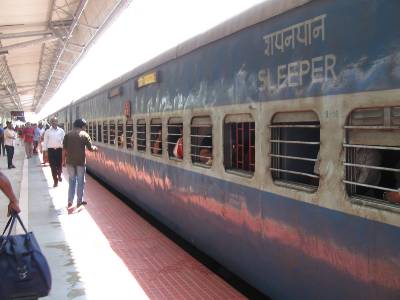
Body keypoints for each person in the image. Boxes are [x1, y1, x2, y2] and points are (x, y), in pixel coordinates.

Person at [63, 118, 97, 208]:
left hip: (69, 162)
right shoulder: (84, 134)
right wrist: (95, 148)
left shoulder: (68, 134)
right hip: (80, 162)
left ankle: (70, 201)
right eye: (85, 126)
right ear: (82, 126)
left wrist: (63, 161)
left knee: (72, 181)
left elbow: (64, 149)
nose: (85, 128)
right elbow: (90, 148)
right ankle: (79, 201)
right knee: (81, 182)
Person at [43, 117, 65, 187]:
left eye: (55, 121)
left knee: (59, 165)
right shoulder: (47, 131)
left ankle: (59, 175)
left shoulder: (61, 131)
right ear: (50, 123)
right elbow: (45, 142)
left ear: (57, 122)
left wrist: (65, 150)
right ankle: (55, 181)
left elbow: (64, 140)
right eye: (52, 121)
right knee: (52, 166)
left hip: (59, 150)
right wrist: (45, 152)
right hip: (51, 151)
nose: (54, 123)